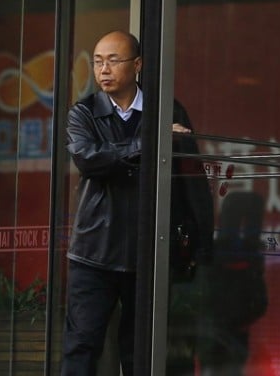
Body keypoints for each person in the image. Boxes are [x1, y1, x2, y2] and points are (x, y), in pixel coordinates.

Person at [62, 30, 211, 376]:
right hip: (94, 252)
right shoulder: (83, 113)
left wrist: (201, 243)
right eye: (98, 61)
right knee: (82, 345)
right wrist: (153, 143)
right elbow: (90, 160)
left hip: (149, 254)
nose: (104, 70)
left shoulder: (169, 110)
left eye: (113, 60)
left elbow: (191, 179)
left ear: (138, 64)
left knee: (141, 352)